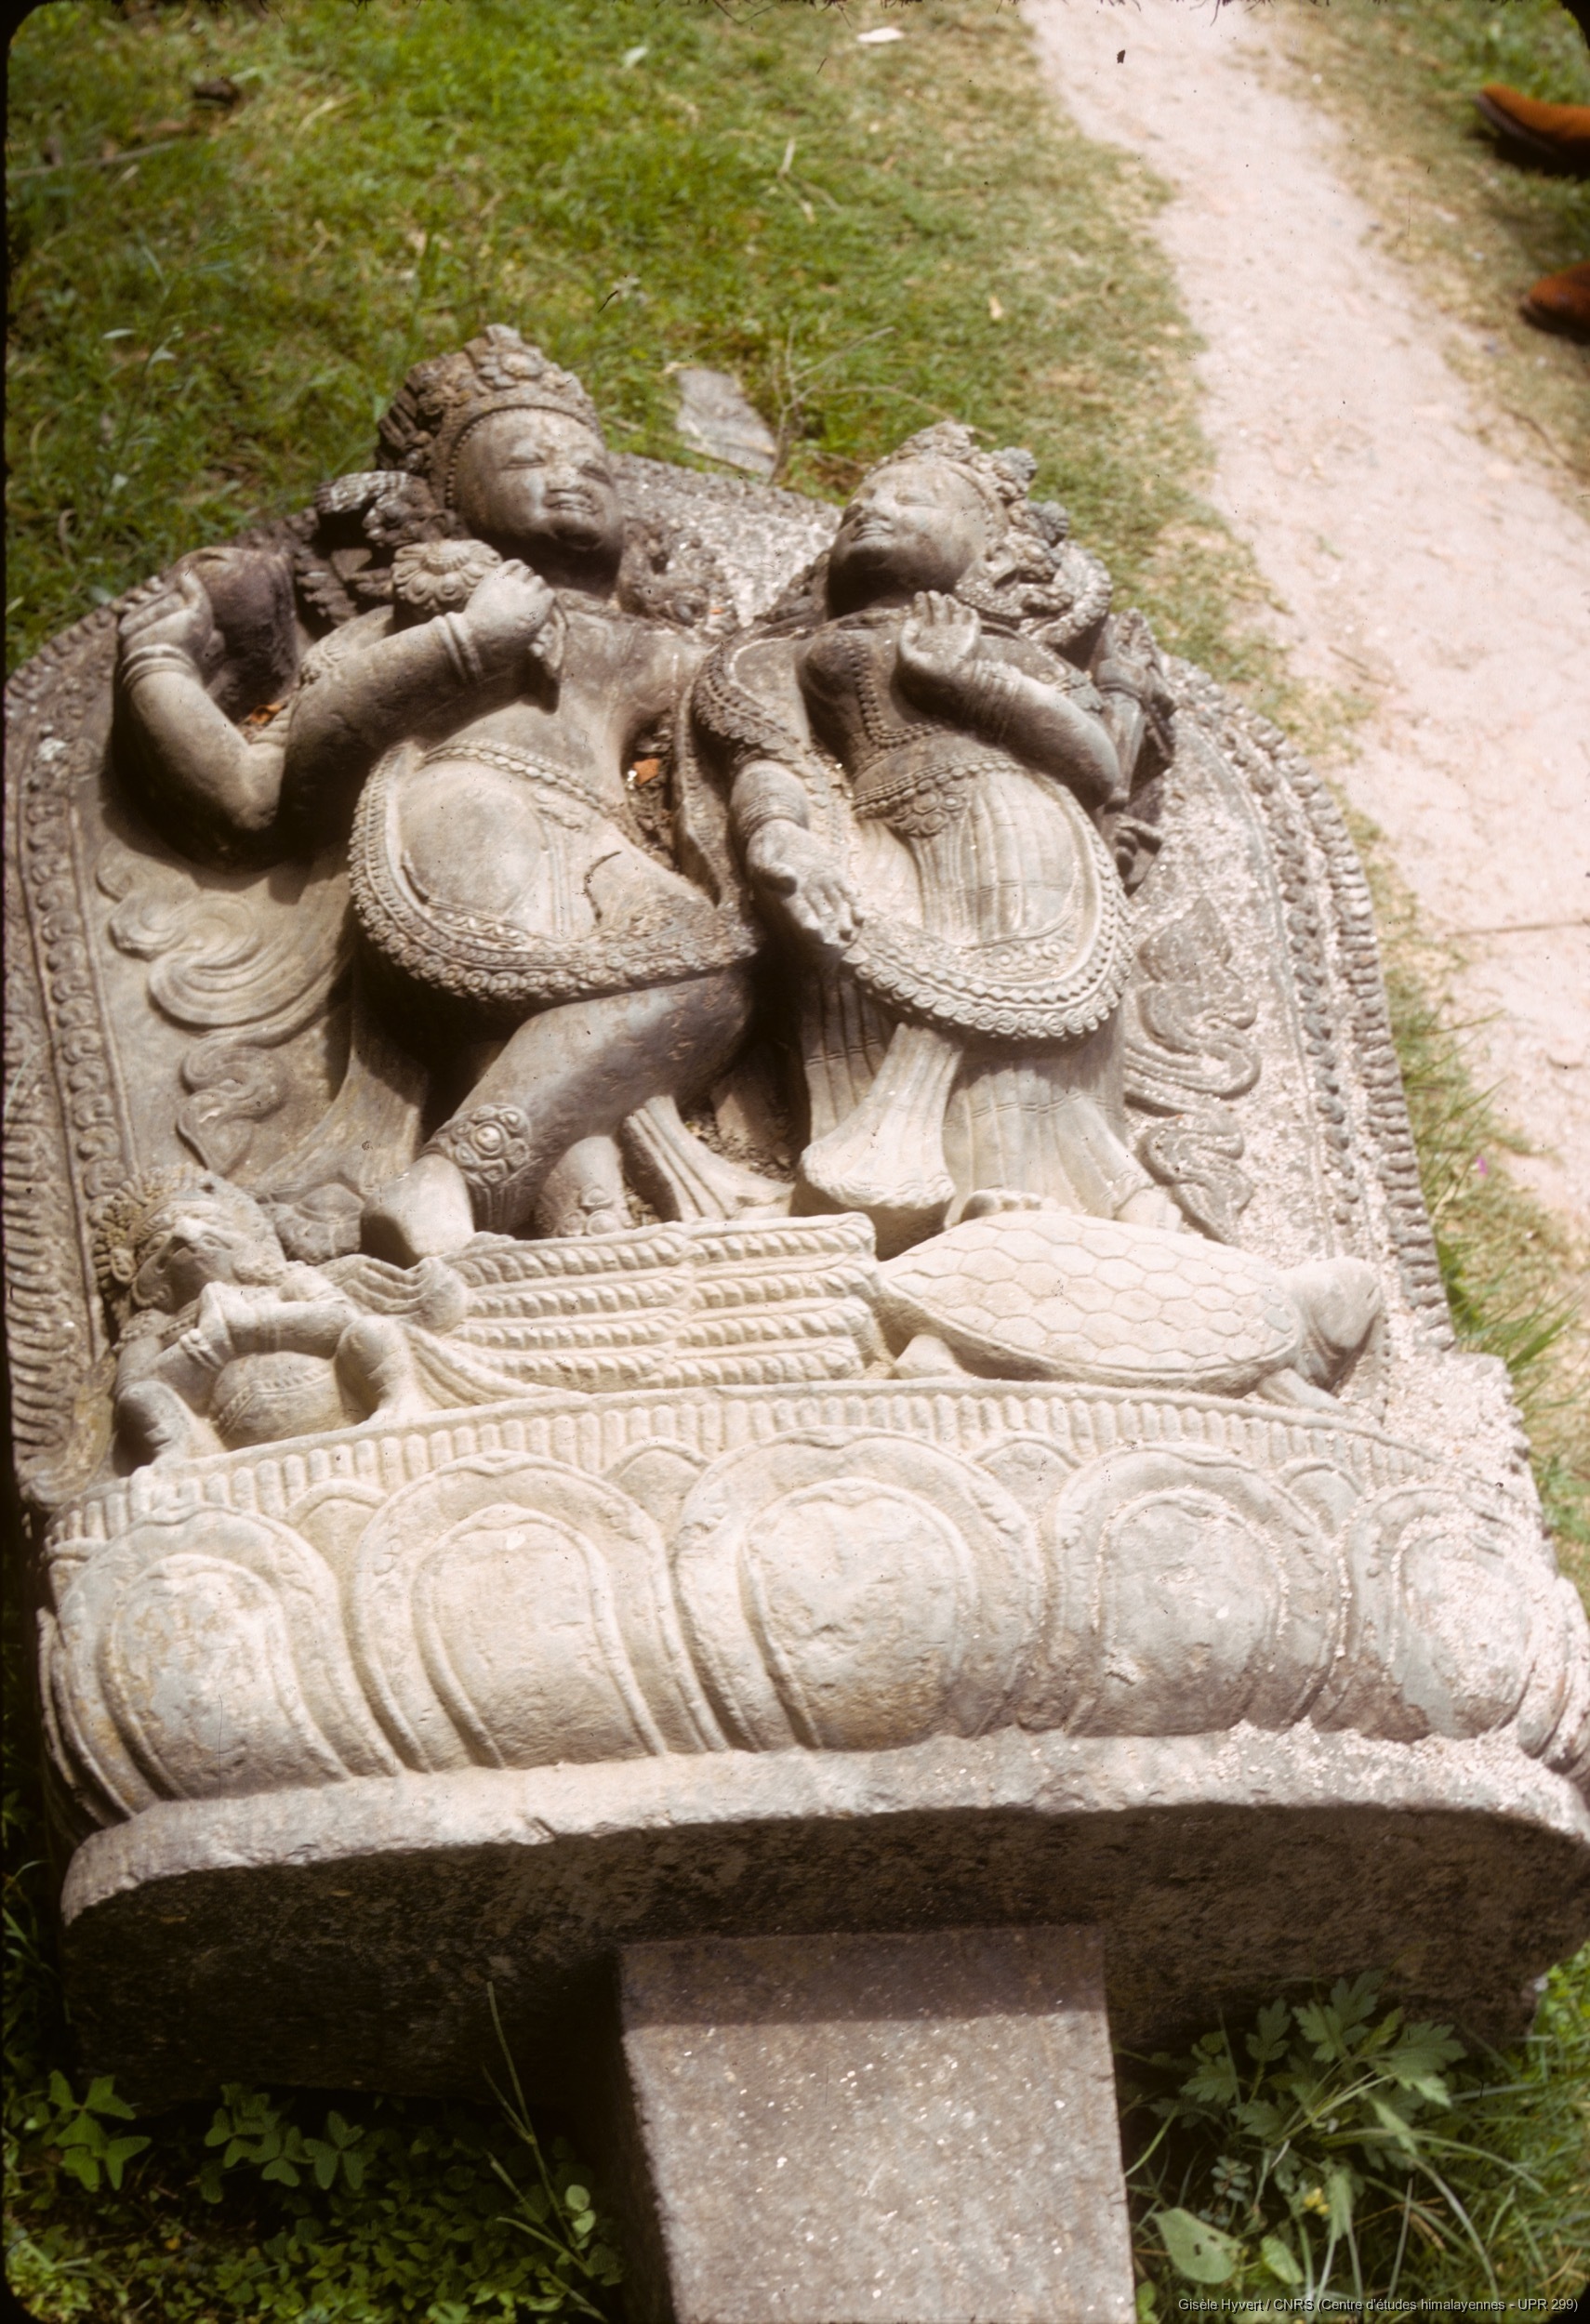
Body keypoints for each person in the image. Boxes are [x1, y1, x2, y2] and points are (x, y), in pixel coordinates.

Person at [693, 424, 1175, 1259]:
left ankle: (1025, 1194)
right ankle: (883, 1187)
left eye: (913, 499)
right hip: (873, 833)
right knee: (863, 998)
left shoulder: (1006, 649)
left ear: (991, 549)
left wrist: (967, 678)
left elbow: (1099, 766)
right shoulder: (804, 650)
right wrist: (776, 831)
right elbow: (767, 754)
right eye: (862, 501)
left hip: (1012, 827)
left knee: (1013, 1009)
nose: (874, 508)